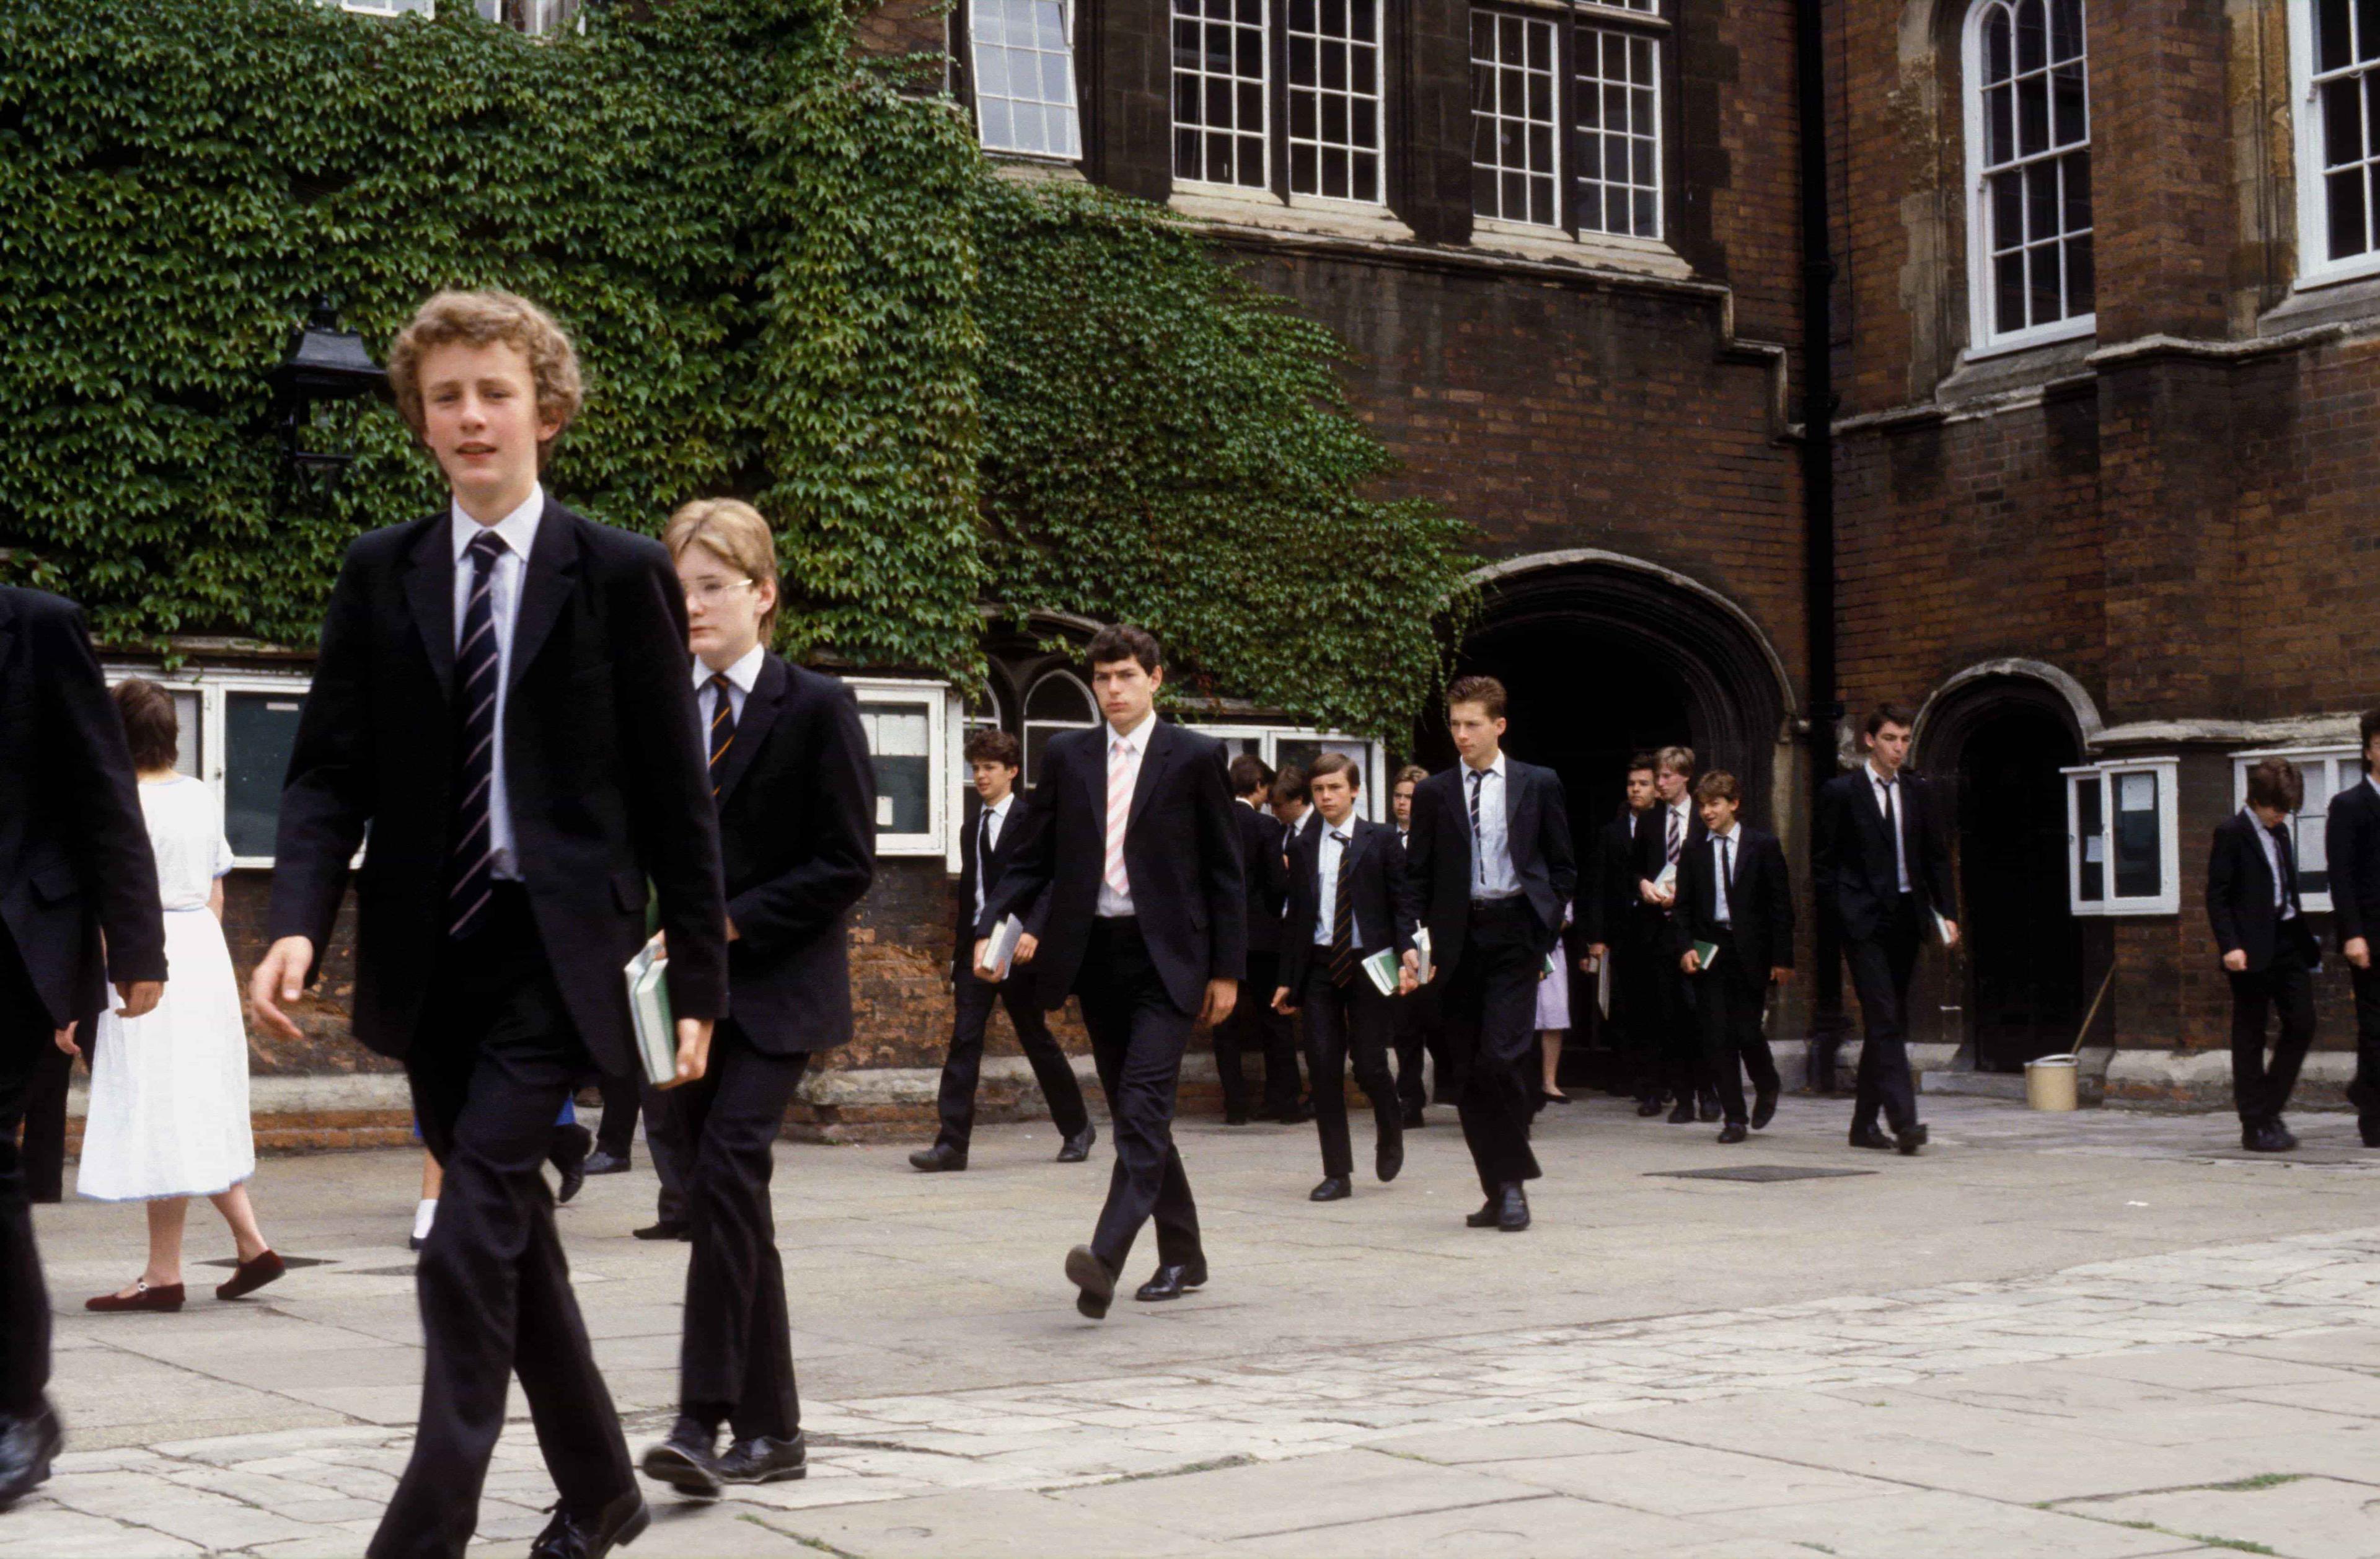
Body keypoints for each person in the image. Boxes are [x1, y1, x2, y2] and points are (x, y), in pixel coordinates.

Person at [249, 288, 728, 1559]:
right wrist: (299, 917)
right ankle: (604, 1491)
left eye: (494, 392)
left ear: (547, 411)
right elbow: (326, 773)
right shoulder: (379, 570)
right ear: (421, 418)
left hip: (557, 958)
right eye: (446, 396)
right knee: (514, 1240)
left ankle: (425, 1532)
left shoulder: (619, 572)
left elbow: (679, 799)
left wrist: (704, 990)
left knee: (464, 1237)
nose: (471, 416)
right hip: (431, 955)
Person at [633, 498, 875, 1500]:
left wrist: (728, 920)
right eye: (678, 588)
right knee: (728, 1206)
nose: (691, 607)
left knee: (726, 1181)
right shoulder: (651, 706)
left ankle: (699, 1420)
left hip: (776, 991)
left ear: (763, 595)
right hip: (668, 996)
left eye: (711, 587)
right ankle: (775, 1431)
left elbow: (847, 861)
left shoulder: (815, 707)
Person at [977, 625, 1243, 1318]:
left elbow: (1224, 872)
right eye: (1102, 678)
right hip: (1097, 956)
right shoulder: (1067, 755)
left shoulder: (1195, 756)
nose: (1113, 690)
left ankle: (1105, 1257)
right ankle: (1184, 1252)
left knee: (1145, 1107)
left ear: (1155, 679)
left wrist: (1227, 971)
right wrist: (995, 929)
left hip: (1170, 960)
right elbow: (1031, 858)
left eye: (1126, 675)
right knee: (1135, 1113)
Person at [0, 586, 166, 1511]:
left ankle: (19, 1404)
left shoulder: (37, 626)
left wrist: (136, 943)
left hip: (17, 939)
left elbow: (105, 790)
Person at [77, 681, 282, 1312]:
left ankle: (166, 1274)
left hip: (141, 954)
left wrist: (88, 985)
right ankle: (250, 1248)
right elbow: (217, 892)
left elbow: (106, 903)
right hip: (201, 951)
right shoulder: (199, 795)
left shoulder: (114, 800)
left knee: (162, 1106)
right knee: (196, 1102)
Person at [1399, 676, 1574, 1233]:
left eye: (1472, 723)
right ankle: (1498, 1189)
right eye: (1454, 724)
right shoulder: (1434, 793)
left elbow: (1562, 864)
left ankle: (1514, 1184)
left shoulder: (1538, 783)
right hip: (1456, 941)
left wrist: (1544, 929)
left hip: (1515, 935)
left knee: (1501, 1058)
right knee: (1469, 1073)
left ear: (1499, 725)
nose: (1461, 734)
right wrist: (1411, 940)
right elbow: (1415, 878)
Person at [909, 728, 1094, 1172]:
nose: (981, 777)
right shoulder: (971, 827)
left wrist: (1034, 931)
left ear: (1012, 771)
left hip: (1019, 944)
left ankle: (1077, 1127)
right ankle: (952, 1144)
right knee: (964, 1039)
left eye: (990, 768)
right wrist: (960, 953)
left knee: (1035, 1038)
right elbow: (971, 894)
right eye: (976, 768)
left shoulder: (1033, 820)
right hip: (978, 947)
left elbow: (1051, 880)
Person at [1813, 702, 1957, 1157]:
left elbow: (1935, 855)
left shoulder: (1918, 791)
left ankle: (1862, 1125)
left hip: (1906, 915)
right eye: (1891, 738)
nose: (1899, 747)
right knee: (1885, 1017)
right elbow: (1823, 863)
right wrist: (1841, 913)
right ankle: (1906, 1121)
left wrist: (1947, 911)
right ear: (1870, 741)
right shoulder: (1841, 791)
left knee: (1888, 1021)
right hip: (1862, 921)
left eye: (1905, 739)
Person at [1272, 753, 1415, 1201]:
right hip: (1318, 965)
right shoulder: (1300, 844)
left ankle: (1390, 1122)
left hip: (1369, 964)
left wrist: (1409, 950)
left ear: (1355, 790)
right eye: (1319, 790)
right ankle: (1337, 1171)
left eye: (1335, 788)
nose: (1327, 796)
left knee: (1369, 1062)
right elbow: (1296, 917)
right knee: (1322, 1063)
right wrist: (1286, 978)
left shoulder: (1383, 839)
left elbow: (1402, 902)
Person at [1673, 772, 1794, 1144]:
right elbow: (1683, 908)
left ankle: (1767, 1081)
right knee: (1716, 1035)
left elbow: (1780, 906)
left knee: (1745, 1030)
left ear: (1734, 804)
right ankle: (1735, 1118)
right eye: (1703, 805)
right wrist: (1685, 947)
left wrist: (1782, 958)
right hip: (1712, 950)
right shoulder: (1694, 849)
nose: (1707, 812)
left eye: (1715, 804)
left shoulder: (1763, 845)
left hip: (1751, 952)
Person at [2211, 759, 2320, 1153]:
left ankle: (2267, 1108)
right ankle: (2254, 1124)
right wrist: (2230, 946)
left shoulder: (2282, 832)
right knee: (2250, 1034)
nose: (2282, 816)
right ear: (2256, 799)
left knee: (2303, 1022)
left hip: (2288, 938)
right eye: (2276, 808)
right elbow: (2217, 896)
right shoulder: (2232, 833)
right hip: (2249, 948)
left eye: (2288, 809)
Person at [1212, 755, 1298, 1126]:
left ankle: (1236, 1107)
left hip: (1220, 937)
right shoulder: (1266, 827)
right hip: (1263, 936)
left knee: (1223, 1022)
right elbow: (1277, 886)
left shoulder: (1214, 821)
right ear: (1260, 786)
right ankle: (1284, 1104)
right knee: (1275, 1021)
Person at [1584, 756, 1665, 1116]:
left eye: (1643, 784)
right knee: (1626, 1007)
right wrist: (1595, 937)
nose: (1636, 789)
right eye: (1632, 784)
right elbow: (1597, 885)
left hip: (1660, 930)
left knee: (1663, 1007)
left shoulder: (1668, 827)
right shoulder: (1612, 832)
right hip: (1623, 932)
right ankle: (1638, 1079)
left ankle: (1667, 1080)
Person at [1639, 746, 1714, 1124]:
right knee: (1668, 1014)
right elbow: (1633, 867)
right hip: (1660, 930)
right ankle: (1682, 1097)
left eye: (1667, 776)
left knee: (1701, 1011)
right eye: (1658, 776)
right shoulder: (1649, 822)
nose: (1661, 783)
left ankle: (1709, 1092)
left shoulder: (1704, 818)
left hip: (1699, 929)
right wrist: (1643, 885)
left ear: (1686, 777)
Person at [2328, 708, 2380, 1149]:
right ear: (2368, 750)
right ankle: (2374, 1119)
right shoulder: (2348, 806)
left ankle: (2364, 1088)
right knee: (2376, 1026)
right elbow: (2340, 876)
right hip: (2371, 934)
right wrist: (2353, 933)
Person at [1388, 763, 1447, 1125]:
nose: (1403, 803)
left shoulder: (1443, 840)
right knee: (1404, 1025)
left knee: (1441, 1021)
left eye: (1411, 797)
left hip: (1437, 942)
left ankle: (1458, 1087)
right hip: (1400, 941)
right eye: (1398, 795)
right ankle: (1410, 1099)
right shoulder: (1383, 838)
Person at [1533, 903, 1574, 1108]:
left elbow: (1565, 918)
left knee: (1554, 1015)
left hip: (1550, 950)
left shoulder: (1559, 877)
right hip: (1519, 944)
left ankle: (1549, 1082)